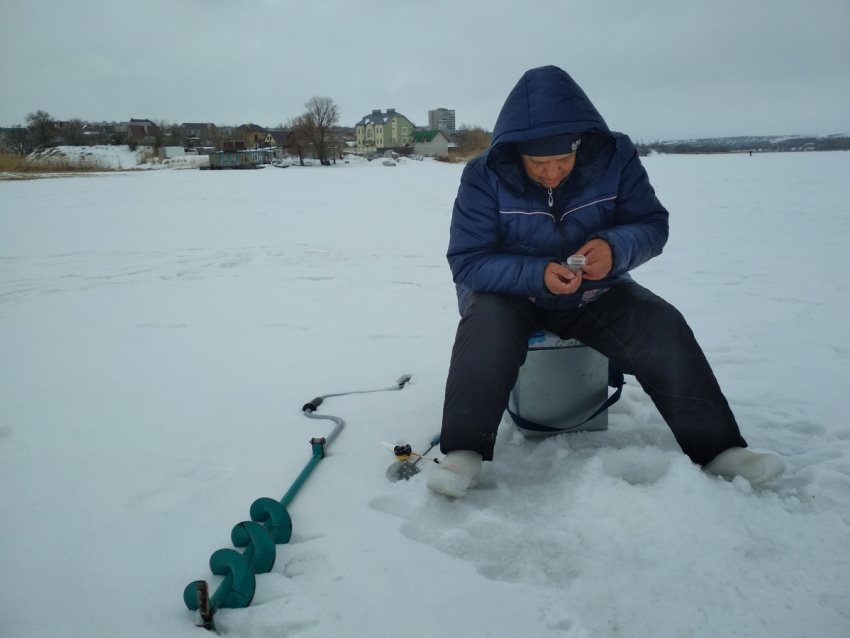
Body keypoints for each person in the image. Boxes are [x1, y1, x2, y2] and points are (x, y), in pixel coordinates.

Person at [426, 65, 785, 498]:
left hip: (593, 291)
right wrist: (536, 274)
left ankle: (720, 450)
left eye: (563, 159)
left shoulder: (615, 158)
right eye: (539, 162)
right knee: (485, 330)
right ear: (515, 151)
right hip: (509, 294)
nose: (552, 172)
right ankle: (463, 453)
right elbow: (468, 261)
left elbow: (651, 224)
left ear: (582, 143)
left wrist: (615, 248)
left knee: (662, 325)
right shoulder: (484, 175)